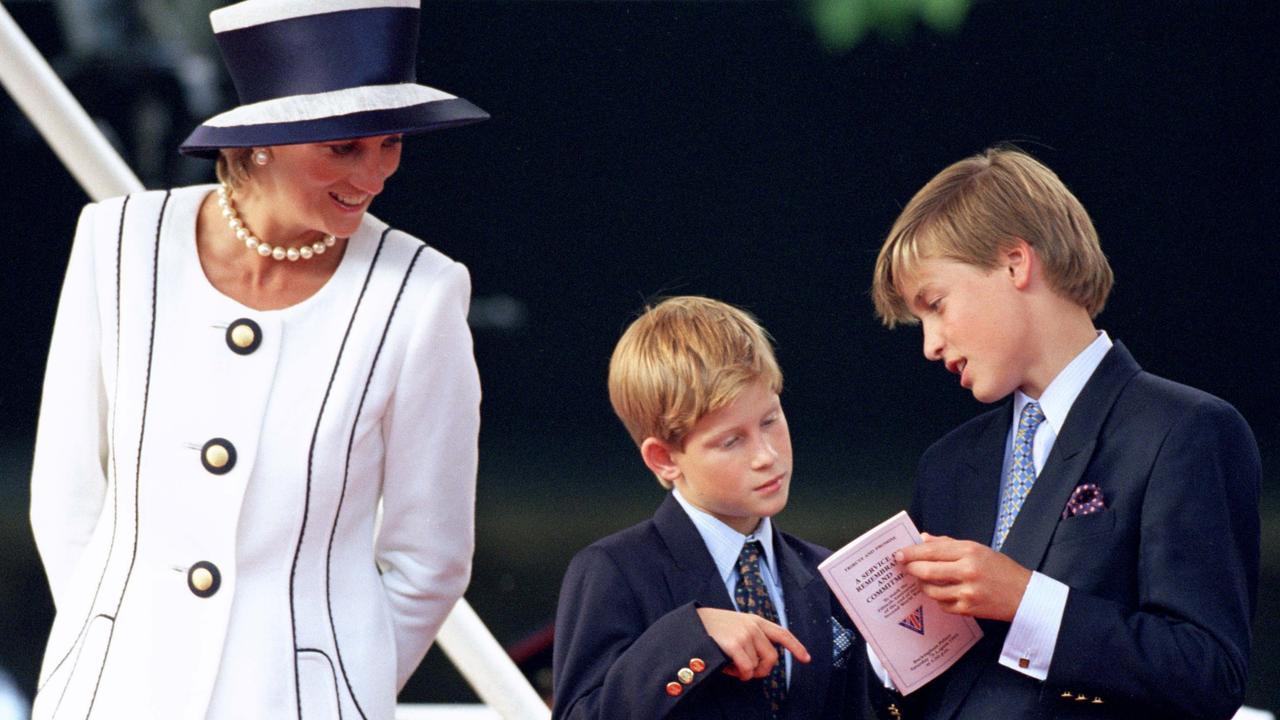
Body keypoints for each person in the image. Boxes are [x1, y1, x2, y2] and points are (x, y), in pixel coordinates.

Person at [28, 1, 488, 717]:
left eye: (390, 143)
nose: (373, 178)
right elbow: (65, 495)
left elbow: (432, 558)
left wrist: (333, 683)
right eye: (343, 149)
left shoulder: (422, 294)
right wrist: (114, 640)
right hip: (111, 692)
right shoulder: (116, 242)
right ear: (263, 138)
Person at [867, 147, 1260, 719]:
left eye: (936, 305)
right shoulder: (948, 464)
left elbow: (1210, 673)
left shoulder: (1185, 430)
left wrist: (1027, 601)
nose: (929, 345)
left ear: (1015, 263)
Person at [552, 296, 871, 719]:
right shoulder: (613, 571)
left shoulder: (828, 573)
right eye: (731, 441)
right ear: (664, 459)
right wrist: (691, 637)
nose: (766, 455)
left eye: (770, 420)